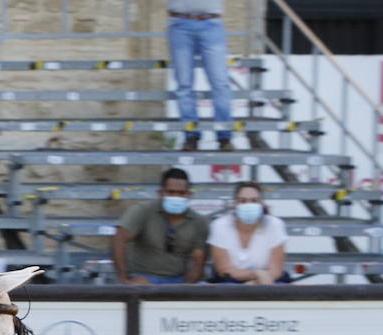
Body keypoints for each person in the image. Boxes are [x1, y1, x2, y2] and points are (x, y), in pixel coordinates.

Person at [112, 168, 208, 284]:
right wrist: (124, 278)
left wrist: (186, 287)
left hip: (179, 279)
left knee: (204, 287)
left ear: (189, 195)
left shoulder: (199, 222)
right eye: (171, 192)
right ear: (161, 192)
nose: (176, 197)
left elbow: (198, 262)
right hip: (144, 278)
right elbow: (119, 239)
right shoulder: (142, 211)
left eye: (181, 193)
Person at [168, 0, 232, 151]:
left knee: (220, 82)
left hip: (210, 21)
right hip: (180, 22)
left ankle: (224, 135)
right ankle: (191, 135)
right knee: (184, 84)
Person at [208, 181, 288, 284]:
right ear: (235, 204)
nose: (248, 205)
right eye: (243, 201)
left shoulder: (275, 225)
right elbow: (224, 270)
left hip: (266, 280)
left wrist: (254, 284)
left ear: (261, 204)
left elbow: (276, 270)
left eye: (254, 201)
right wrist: (255, 274)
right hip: (231, 282)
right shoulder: (219, 225)